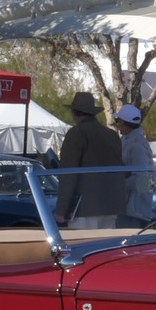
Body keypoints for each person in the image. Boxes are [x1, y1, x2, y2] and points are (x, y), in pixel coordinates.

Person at [55, 91, 124, 229]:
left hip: (84, 207)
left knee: (84, 247)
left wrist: (61, 210)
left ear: (74, 113)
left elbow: (68, 175)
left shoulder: (76, 133)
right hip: (110, 206)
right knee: (106, 249)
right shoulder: (112, 135)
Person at [114, 103, 156, 222]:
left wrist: (119, 184)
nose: (117, 124)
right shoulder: (131, 141)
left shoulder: (137, 145)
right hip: (132, 208)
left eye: (118, 120)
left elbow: (143, 179)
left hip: (135, 212)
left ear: (123, 122)